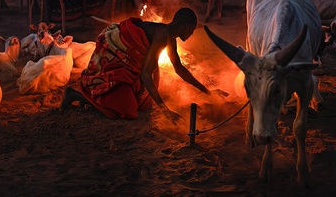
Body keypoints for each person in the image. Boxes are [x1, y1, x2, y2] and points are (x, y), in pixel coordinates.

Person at [60, 7, 228, 124]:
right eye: (191, 31)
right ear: (185, 26)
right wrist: (166, 111)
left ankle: (98, 98)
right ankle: (76, 95)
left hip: (126, 62)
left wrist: (208, 92)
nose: (191, 35)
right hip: (113, 55)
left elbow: (179, 69)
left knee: (144, 104)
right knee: (128, 110)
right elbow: (146, 75)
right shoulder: (162, 34)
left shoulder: (170, 38)